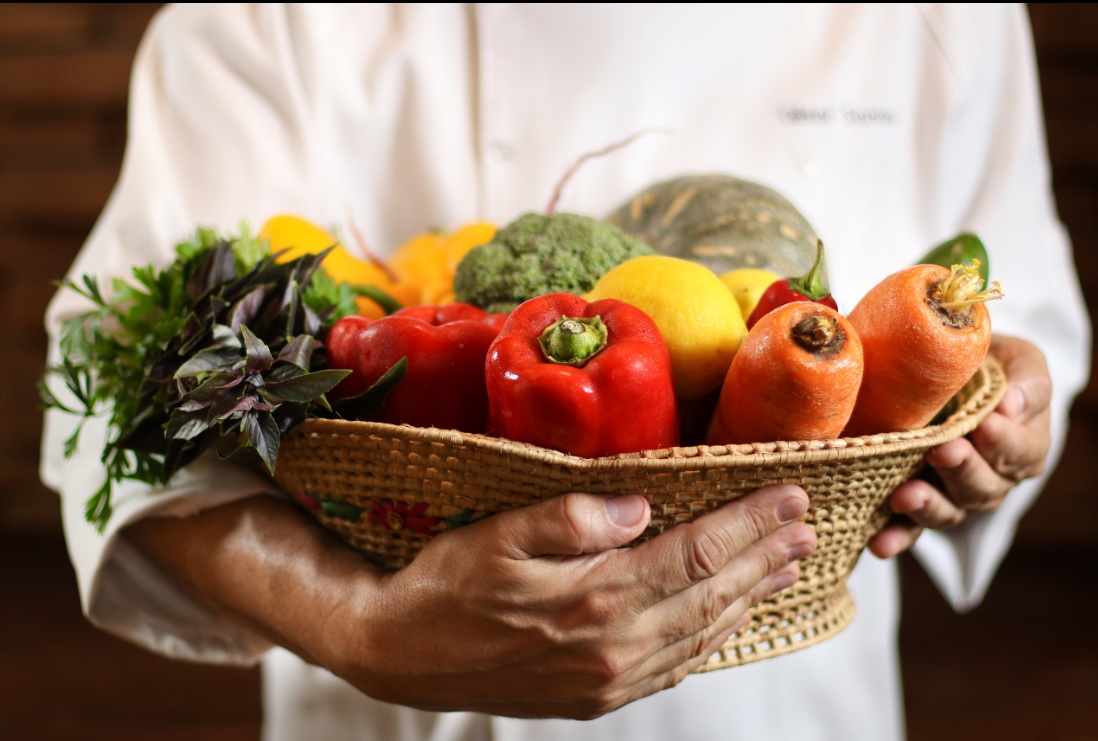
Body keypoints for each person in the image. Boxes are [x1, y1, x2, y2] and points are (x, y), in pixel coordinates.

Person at [40, 4, 1091, 740]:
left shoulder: (943, 12)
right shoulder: (262, 18)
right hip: (401, 724)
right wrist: (355, 626)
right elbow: (110, 419)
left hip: (786, 712)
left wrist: (1009, 415)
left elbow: (1024, 313)